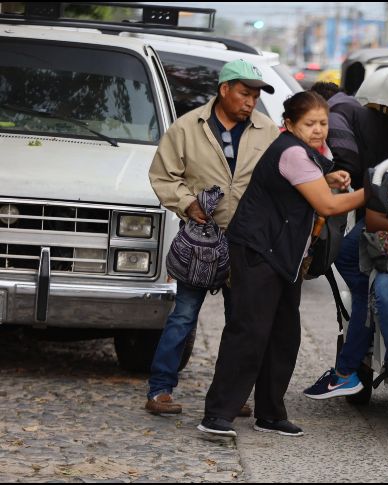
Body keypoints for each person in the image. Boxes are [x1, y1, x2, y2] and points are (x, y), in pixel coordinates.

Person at [197, 91, 364, 438]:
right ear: (289, 124)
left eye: (323, 123)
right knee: (249, 334)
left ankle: (270, 414)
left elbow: (303, 186)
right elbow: (328, 207)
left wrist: (329, 179)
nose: (318, 130)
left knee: (284, 336)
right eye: (310, 124)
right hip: (259, 253)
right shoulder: (291, 150)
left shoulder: (304, 152)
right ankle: (217, 415)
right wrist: (374, 192)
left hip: (284, 257)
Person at [145, 59, 279, 416]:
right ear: (224, 90)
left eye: (255, 96)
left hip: (246, 244)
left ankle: (231, 396)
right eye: (244, 93)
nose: (251, 102)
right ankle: (160, 390)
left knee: (240, 323)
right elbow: (162, 175)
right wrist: (188, 204)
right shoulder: (187, 127)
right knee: (183, 315)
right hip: (200, 242)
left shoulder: (268, 131)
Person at [302, 82, 388, 401]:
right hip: (384, 200)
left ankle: (357, 356)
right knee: (366, 279)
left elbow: (347, 158)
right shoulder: (358, 111)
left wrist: (333, 179)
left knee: (350, 264)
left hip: (384, 202)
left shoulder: (338, 113)